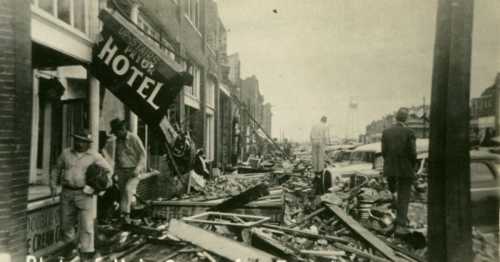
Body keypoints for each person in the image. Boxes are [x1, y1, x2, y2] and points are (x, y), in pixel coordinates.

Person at [50, 130, 112, 261]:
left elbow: (108, 171)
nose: (79, 143)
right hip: (67, 192)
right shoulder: (66, 153)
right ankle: (71, 251)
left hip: (84, 193)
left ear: (88, 143)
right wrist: (53, 185)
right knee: (66, 224)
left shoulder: (94, 156)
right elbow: (56, 168)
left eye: (83, 141)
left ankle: (86, 254)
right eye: (77, 140)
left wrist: (96, 188)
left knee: (86, 225)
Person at [381, 108, 417, 235]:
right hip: (405, 169)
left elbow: (384, 152)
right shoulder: (409, 132)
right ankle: (400, 224)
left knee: (393, 194)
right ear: (406, 118)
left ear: (396, 117)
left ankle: (393, 220)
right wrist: (412, 167)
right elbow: (413, 153)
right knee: (404, 196)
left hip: (390, 169)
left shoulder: (386, 132)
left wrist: (390, 165)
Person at [105, 118, 146, 223]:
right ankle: (130, 215)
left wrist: (138, 169)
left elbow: (143, 155)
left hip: (133, 170)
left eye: (117, 132)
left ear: (123, 129)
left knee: (128, 190)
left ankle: (125, 216)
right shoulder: (116, 141)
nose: (116, 135)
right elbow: (115, 158)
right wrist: (114, 172)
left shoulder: (134, 138)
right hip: (121, 170)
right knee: (124, 193)